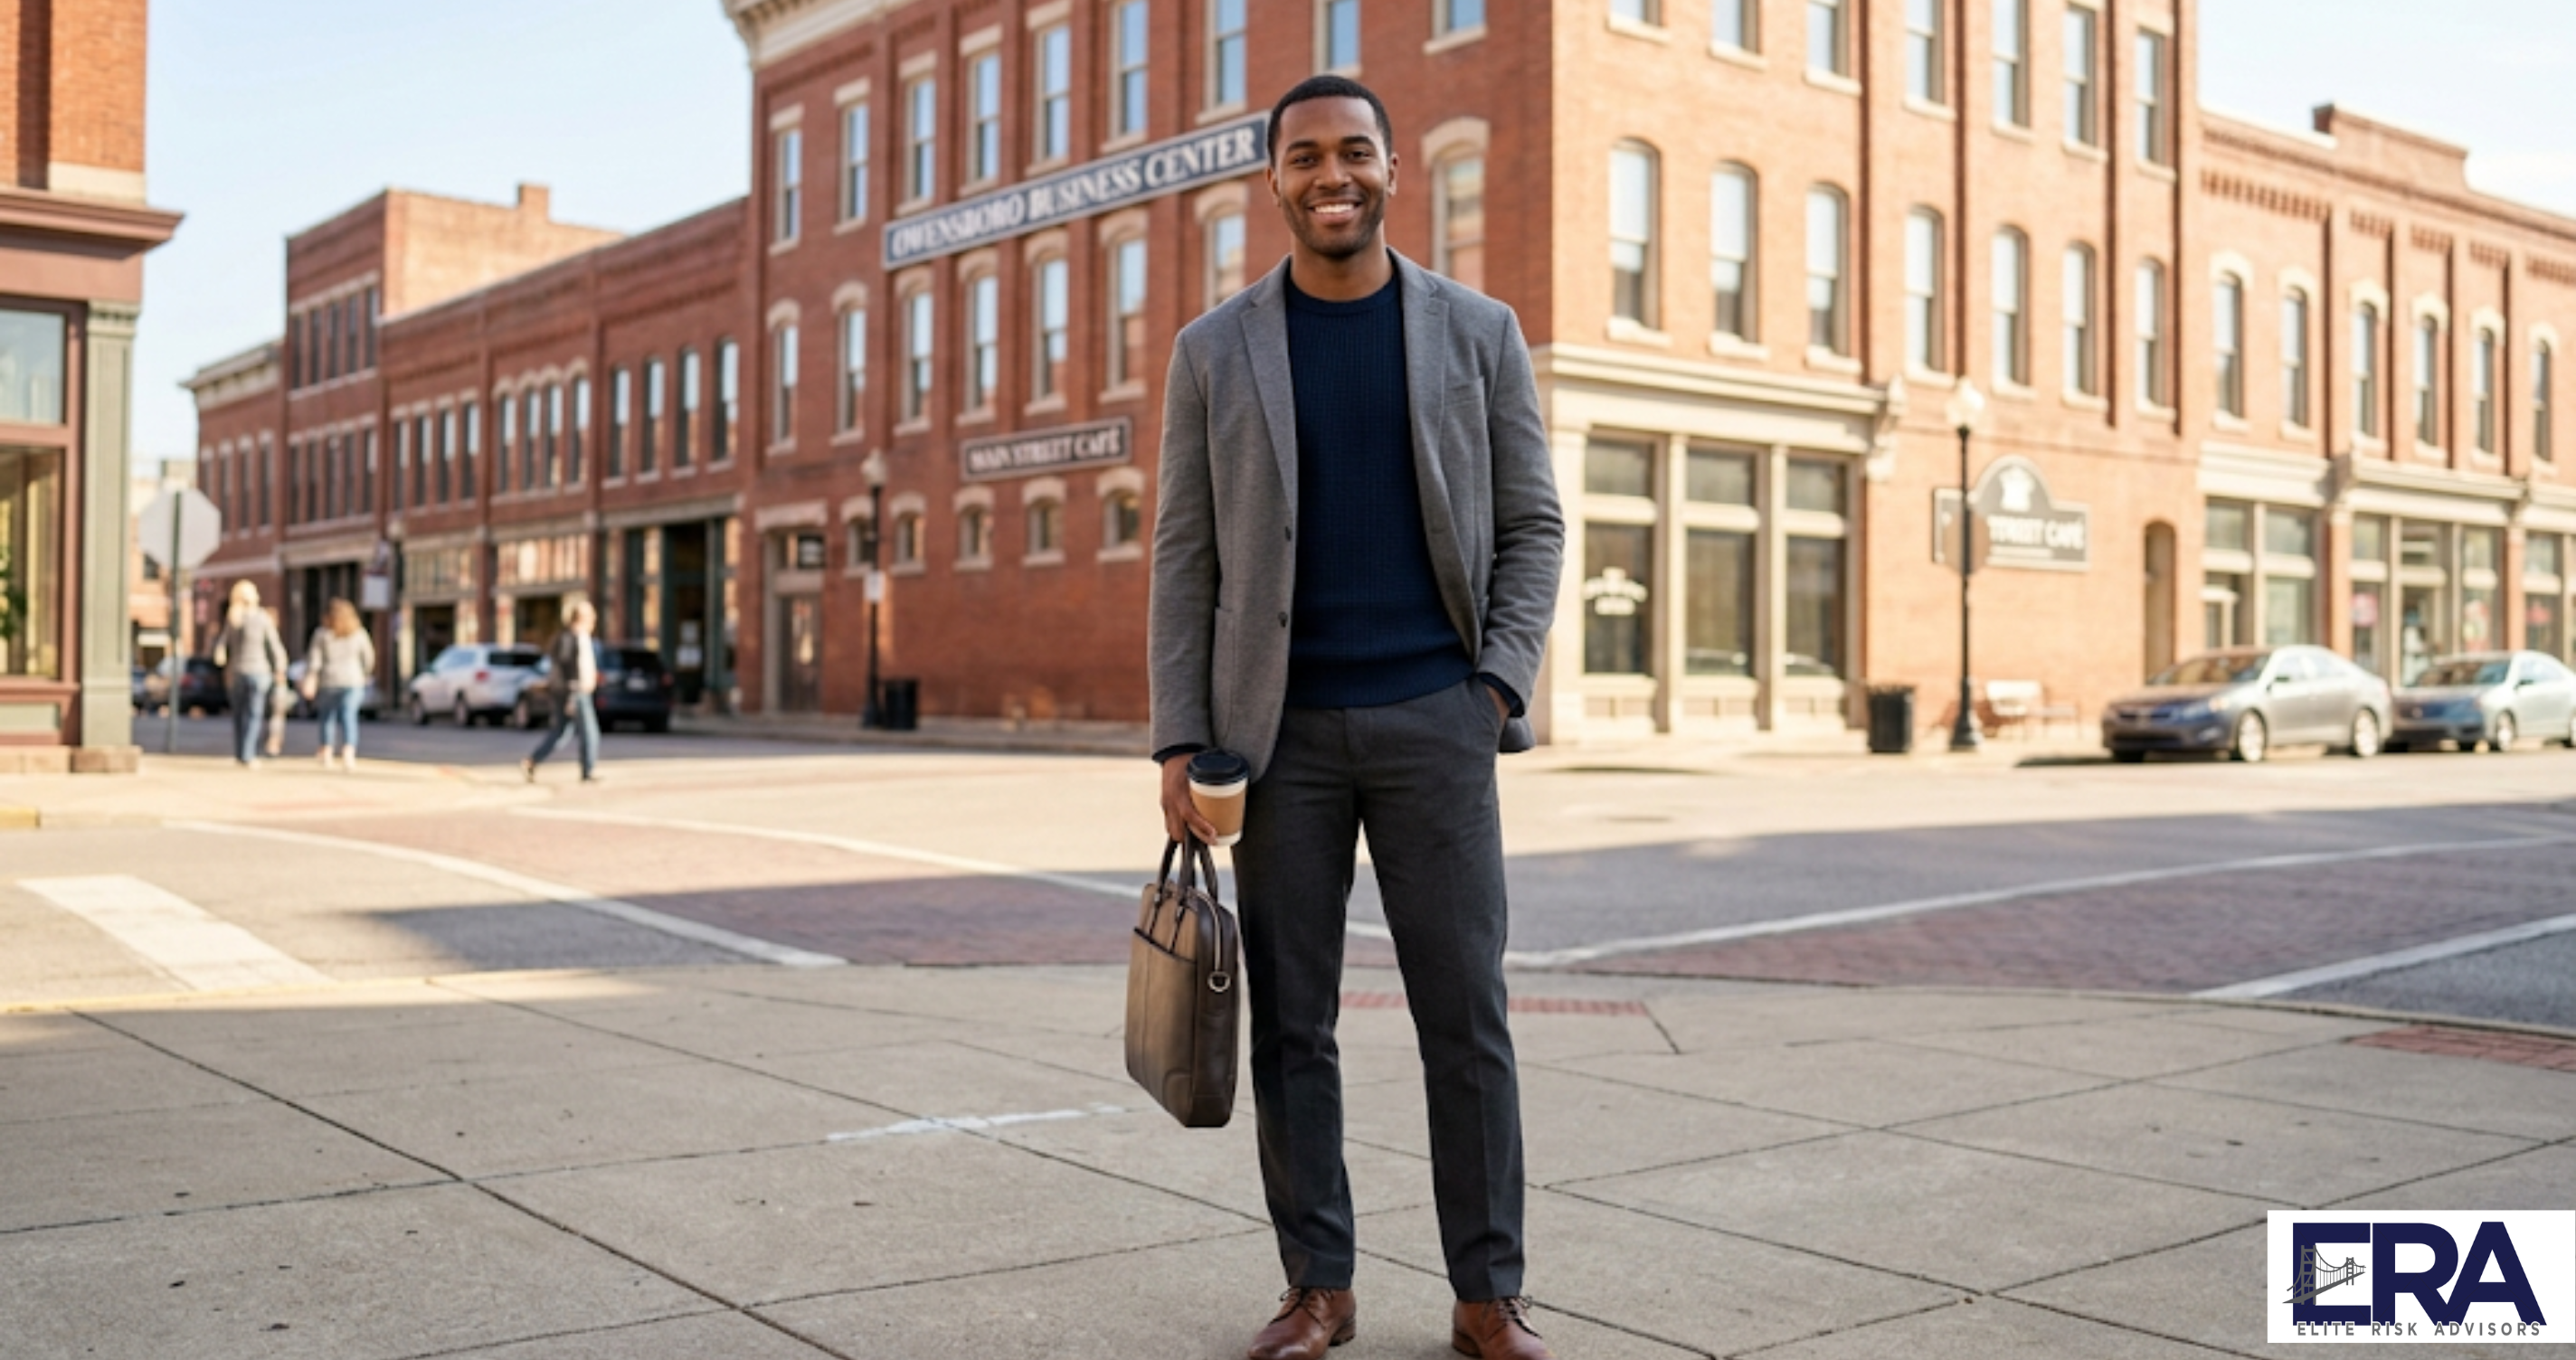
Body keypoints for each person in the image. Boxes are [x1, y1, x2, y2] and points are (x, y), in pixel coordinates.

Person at [1149, 76, 1565, 1360]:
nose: (1334, 175)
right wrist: (1179, 739)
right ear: (1273, 181)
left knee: (1467, 1021)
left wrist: (1493, 684)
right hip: (1278, 747)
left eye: (1356, 153)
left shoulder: (1478, 330)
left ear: (1393, 170)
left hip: (1438, 719)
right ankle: (1317, 1286)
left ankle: (1487, 1295)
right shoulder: (1215, 350)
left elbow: (1534, 523)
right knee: (1290, 1024)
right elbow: (1184, 556)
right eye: (1305, 156)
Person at [522, 600, 602, 783]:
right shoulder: (575, 636)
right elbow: (569, 666)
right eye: (592, 616)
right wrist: (573, 693)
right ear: (583, 617)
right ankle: (588, 770)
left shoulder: (565, 636)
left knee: (561, 731)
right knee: (590, 732)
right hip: (575, 692)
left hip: (565, 691)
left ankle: (533, 761)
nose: (594, 619)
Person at [212, 581, 289, 767]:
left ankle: (242, 753)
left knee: (240, 715)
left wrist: (221, 658)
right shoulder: (261, 618)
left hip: (238, 672)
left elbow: (222, 644)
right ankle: (247, 754)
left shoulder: (234, 618)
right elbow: (274, 645)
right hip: (258, 672)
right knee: (253, 714)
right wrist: (280, 666)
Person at [302, 598, 375, 770]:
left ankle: (327, 752)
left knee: (327, 717)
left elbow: (315, 659)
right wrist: (364, 674)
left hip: (329, 680)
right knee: (349, 717)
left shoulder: (322, 634)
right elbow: (369, 657)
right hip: (353, 680)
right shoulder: (358, 633)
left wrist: (311, 677)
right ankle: (348, 754)